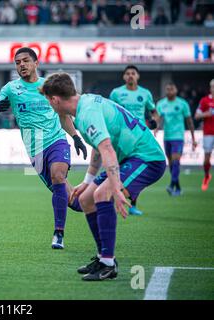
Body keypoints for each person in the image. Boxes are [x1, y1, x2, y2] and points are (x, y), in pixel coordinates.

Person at [41, 72, 166, 281]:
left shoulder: (86, 113)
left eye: (48, 100)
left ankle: (108, 263)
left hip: (147, 158)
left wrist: (115, 188)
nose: (50, 105)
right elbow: (99, 148)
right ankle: (102, 257)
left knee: (101, 195)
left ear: (55, 99)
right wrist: (87, 181)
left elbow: (107, 148)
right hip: (129, 158)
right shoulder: (84, 105)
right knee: (85, 199)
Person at [0, 47, 87, 250]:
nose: (21, 65)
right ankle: (101, 201)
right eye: (17, 62)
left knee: (59, 175)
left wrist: (75, 137)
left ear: (36, 63)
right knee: (73, 201)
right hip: (34, 148)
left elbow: (63, 116)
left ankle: (59, 233)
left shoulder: (47, 86)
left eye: (25, 61)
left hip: (56, 139)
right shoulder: (11, 89)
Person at [109, 65, 159, 216]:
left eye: (133, 73)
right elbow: (111, 111)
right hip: (122, 136)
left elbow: (154, 112)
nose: (130, 76)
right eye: (128, 74)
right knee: (118, 167)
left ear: (137, 76)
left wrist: (155, 123)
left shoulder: (145, 93)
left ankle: (132, 205)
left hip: (140, 137)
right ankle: (112, 198)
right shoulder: (117, 93)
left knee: (137, 168)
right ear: (124, 77)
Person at [155, 83, 197, 196]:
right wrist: (156, 128)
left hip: (178, 136)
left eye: (171, 89)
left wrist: (193, 138)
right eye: (167, 89)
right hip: (167, 137)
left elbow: (189, 121)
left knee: (176, 161)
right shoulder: (161, 104)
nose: (169, 91)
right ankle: (177, 188)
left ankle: (171, 184)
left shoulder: (182, 104)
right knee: (172, 164)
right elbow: (158, 120)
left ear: (176, 90)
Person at [195, 79, 214, 191]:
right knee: (207, 159)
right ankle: (207, 176)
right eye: (212, 87)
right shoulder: (205, 100)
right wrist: (207, 114)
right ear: (210, 88)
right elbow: (197, 116)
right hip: (208, 133)